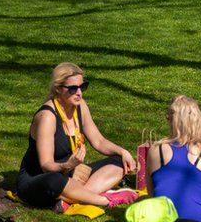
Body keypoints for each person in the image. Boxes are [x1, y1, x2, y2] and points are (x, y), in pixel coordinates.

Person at [16, 63, 138, 211]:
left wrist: (123, 152)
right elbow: (46, 165)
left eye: (82, 86)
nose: (79, 93)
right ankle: (105, 201)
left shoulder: (80, 106)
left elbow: (98, 141)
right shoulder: (47, 117)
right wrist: (67, 165)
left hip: (73, 175)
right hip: (41, 179)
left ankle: (72, 199)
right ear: (58, 89)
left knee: (119, 162)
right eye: (73, 88)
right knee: (55, 180)